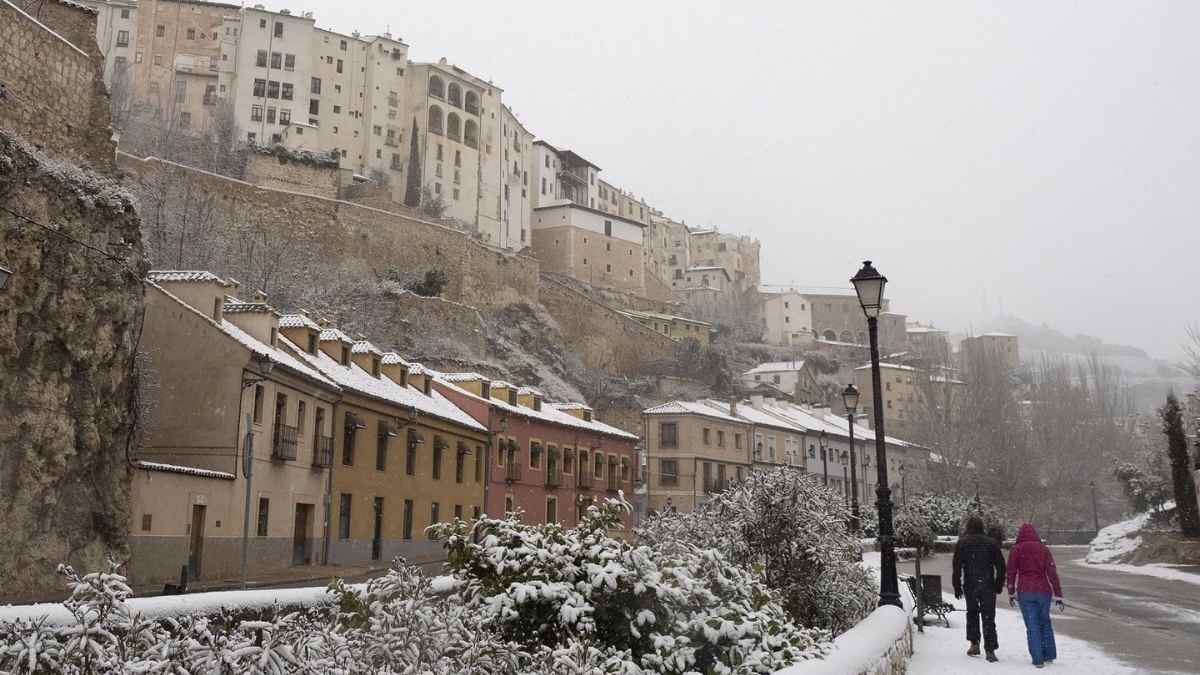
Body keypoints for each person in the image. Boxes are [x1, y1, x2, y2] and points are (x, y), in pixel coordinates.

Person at [1006, 523, 1066, 669]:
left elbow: (1011, 572)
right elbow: (1052, 573)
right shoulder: (1043, 549)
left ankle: (1038, 659)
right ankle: (1049, 654)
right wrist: (1058, 595)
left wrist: (1011, 592)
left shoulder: (1016, 549)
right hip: (1044, 590)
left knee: (1032, 624)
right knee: (1045, 621)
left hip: (1025, 591)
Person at [952, 515, 1006, 662]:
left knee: (972, 614)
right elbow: (1001, 566)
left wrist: (957, 586)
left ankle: (974, 643)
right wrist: (998, 584)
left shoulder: (962, 543)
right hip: (988, 584)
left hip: (970, 584)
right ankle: (990, 649)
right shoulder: (991, 543)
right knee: (989, 616)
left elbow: (956, 567)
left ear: (968, 527)